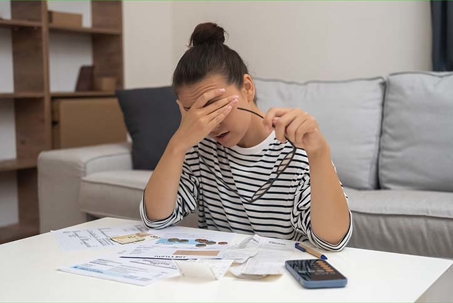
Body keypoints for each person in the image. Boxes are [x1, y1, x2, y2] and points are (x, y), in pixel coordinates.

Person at [140, 22, 352, 251]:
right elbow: (156, 219)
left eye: (215, 105)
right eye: (195, 113)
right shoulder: (198, 151)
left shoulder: (297, 149)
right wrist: (178, 144)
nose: (211, 124)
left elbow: (332, 240)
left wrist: (319, 154)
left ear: (247, 88)